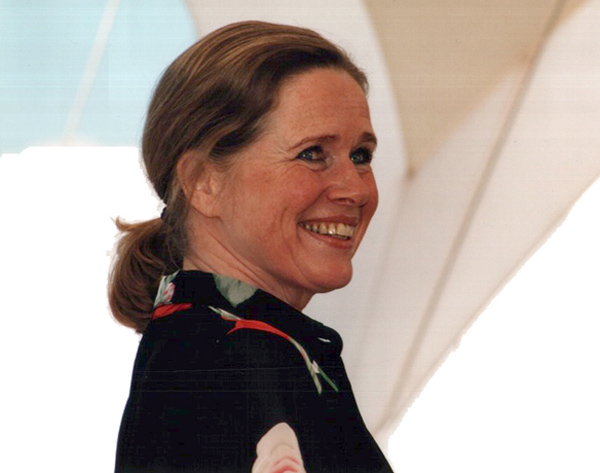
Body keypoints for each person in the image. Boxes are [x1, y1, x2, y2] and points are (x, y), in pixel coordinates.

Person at [110, 20, 393, 473]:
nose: (355, 189)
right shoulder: (231, 364)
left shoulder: (220, 351)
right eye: (313, 153)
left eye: (361, 156)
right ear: (203, 182)